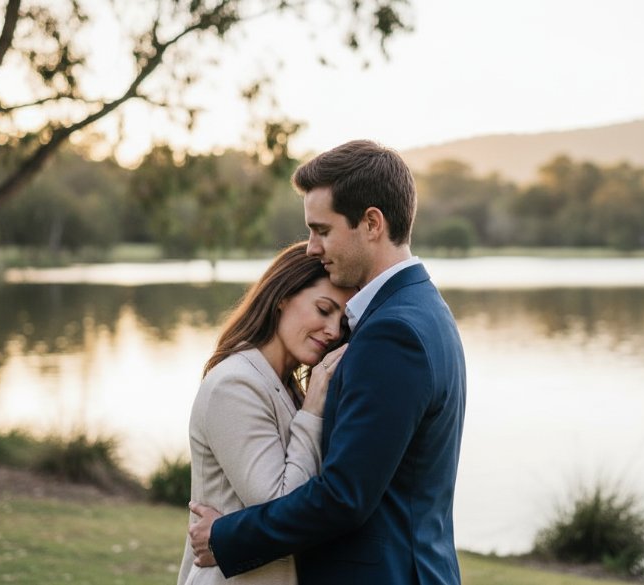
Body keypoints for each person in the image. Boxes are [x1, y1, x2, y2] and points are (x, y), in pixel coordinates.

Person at [188, 140, 468, 585]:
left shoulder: (393, 332)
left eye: (322, 230)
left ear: (371, 223)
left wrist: (225, 537)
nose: (311, 248)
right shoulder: (417, 309)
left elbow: (343, 497)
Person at [177, 241, 356, 585]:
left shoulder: (283, 385)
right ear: (282, 297)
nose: (333, 331)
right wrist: (314, 409)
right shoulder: (235, 385)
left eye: (342, 322)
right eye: (323, 309)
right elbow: (282, 504)